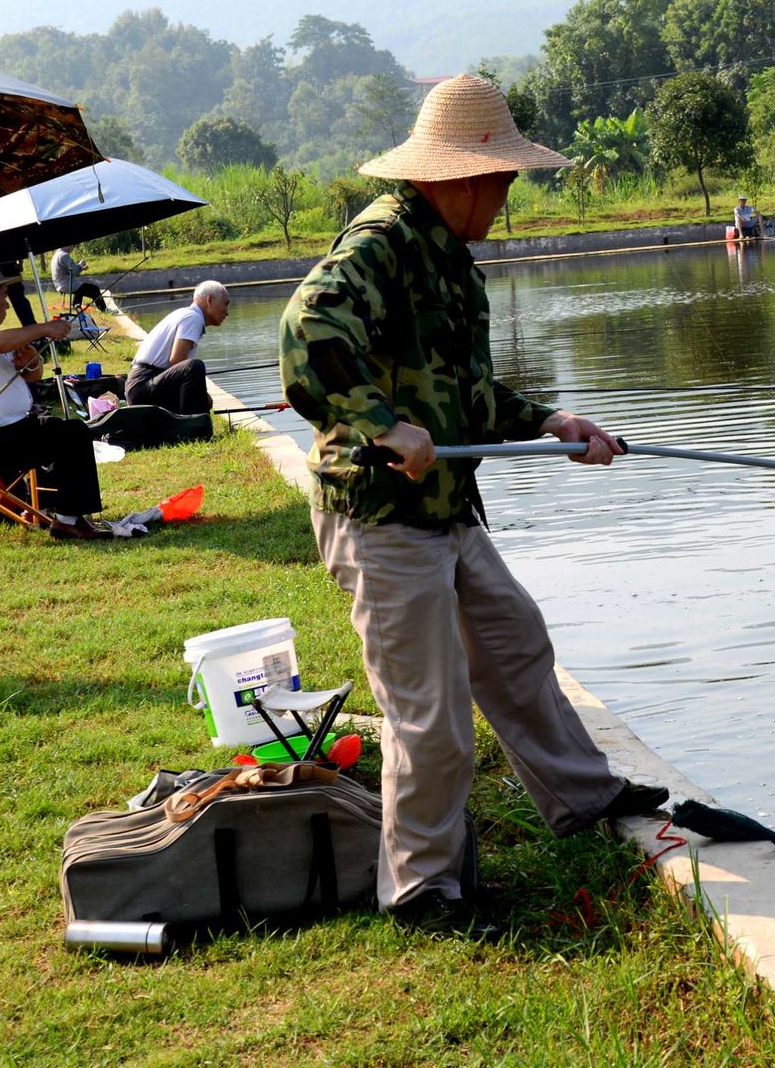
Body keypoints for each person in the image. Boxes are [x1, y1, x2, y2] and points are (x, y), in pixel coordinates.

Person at [280, 74, 666, 933]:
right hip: (382, 515)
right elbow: (307, 334)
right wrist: (383, 425)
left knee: (514, 642)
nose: (506, 197)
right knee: (431, 714)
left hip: (447, 509)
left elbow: (466, 396)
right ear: (460, 178)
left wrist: (552, 422)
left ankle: (583, 797)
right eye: (503, 181)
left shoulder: (451, 262)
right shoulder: (382, 242)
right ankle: (422, 890)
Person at [0, 260, 107, 541]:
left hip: (10, 430)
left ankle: (63, 513)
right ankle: (67, 520)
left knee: (64, 430)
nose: (6, 305)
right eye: (3, 298)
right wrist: (41, 329)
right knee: (71, 434)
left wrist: (30, 363)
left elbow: (30, 376)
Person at [125, 281, 227, 414]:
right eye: (226, 303)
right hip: (142, 388)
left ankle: (188, 423)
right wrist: (203, 394)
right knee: (194, 366)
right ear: (210, 300)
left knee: (197, 385)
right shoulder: (193, 318)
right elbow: (177, 360)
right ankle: (191, 426)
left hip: (141, 386)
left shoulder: (186, 314)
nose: (227, 312)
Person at [52, 246, 104, 313]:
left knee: (80, 286)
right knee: (95, 289)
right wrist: (81, 266)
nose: (73, 248)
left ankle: (76, 305)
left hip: (59, 284)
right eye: (73, 246)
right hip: (67, 284)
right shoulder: (64, 255)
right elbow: (75, 271)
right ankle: (104, 309)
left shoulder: (56, 255)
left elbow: (69, 270)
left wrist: (80, 266)